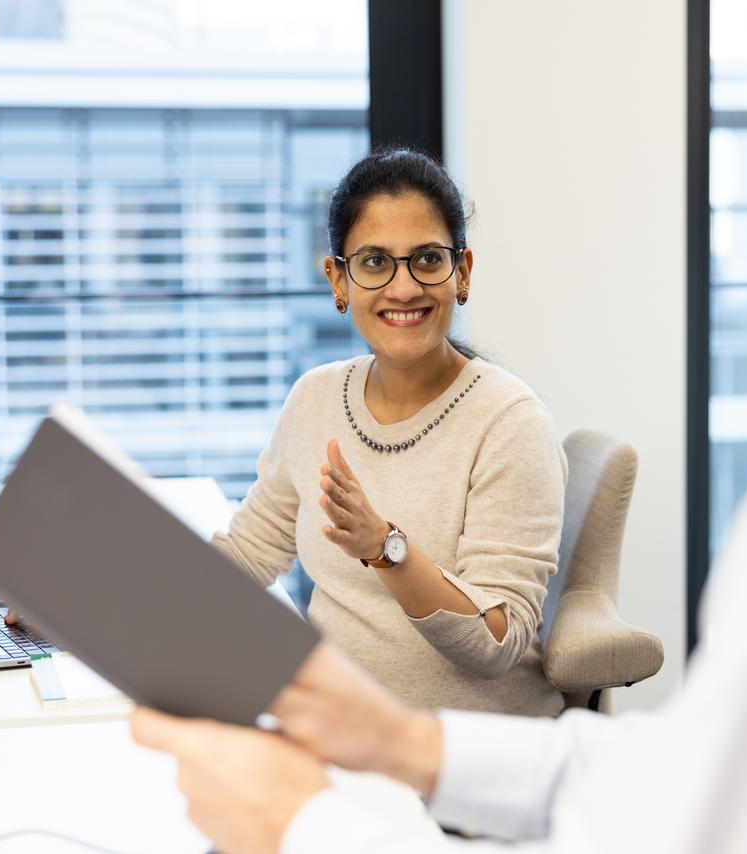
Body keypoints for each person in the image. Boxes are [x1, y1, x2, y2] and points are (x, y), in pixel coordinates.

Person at [132, 0, 747, 851]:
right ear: (339, 278)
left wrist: (302, 826)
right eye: (374, 263)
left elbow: (737, 829)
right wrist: (404, 744)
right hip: (372, 763)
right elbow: (710, 775)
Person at [208, 149, 568, 717]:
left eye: (427, 259)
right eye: (375, 262)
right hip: (337, 731)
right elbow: (249, 555)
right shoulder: (315, 399)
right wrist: (100, 606)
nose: (404, 289)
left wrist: (386, 549)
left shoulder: (510, 422)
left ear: (463, 271)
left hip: (462, 760)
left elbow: (496, 642)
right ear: (339, 279)